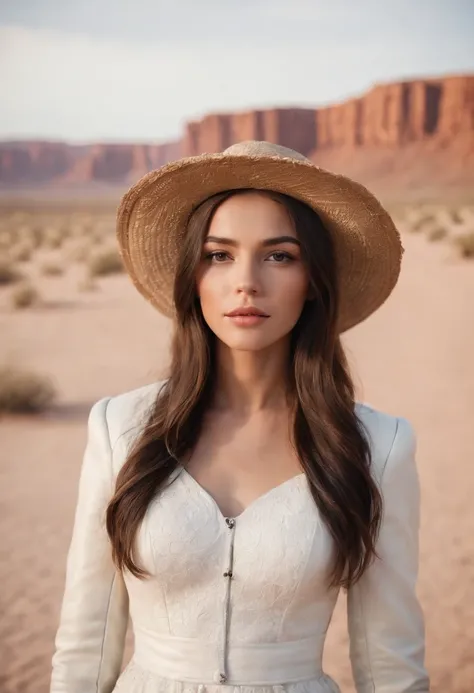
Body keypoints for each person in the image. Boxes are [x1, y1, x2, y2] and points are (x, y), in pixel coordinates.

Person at [50, 141, 430, 693]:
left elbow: (389, 659)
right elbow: (86, 640)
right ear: (193, 276)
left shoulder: (378, 444)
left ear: (313, 281)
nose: (246, 281)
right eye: (219, 255)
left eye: (280, 255)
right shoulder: (119, 427)